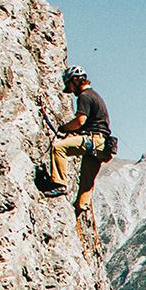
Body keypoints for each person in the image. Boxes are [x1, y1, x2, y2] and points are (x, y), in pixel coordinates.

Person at [43, 65, 112, 209]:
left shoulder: (84, 96)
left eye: (69, 85)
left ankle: (59, 184)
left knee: (58, 148)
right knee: (86, 183)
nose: (70, 90)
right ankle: (81, 208)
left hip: (93, 141)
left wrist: (64, 128)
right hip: (103, 146)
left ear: (75, 80)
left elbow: (80, 121)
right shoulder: (96, 96)